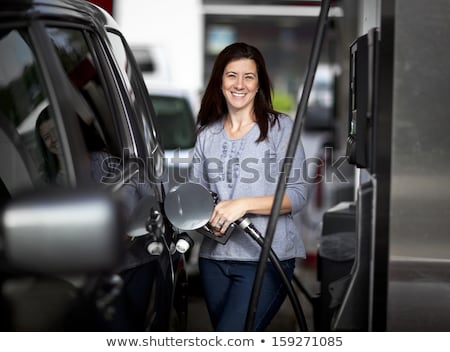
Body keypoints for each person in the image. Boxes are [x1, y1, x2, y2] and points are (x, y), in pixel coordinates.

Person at [189, 42, 308, 331]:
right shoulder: (207, 134)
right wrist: (205, 218)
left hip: (266, 259)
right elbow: (197, 196)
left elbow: (298, 194)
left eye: (249, 76)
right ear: (220, 81)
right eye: (231, 75)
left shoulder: (281, 128)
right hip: (214, 260)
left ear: (259, 84)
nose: (239, 84)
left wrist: (241, 205)